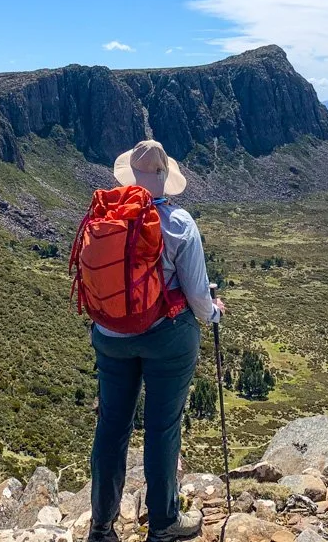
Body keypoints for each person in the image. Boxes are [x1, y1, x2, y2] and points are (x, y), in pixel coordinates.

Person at [89, 140, 225, 542]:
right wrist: (215, 312)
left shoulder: (107, 217)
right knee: (162, 428)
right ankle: (164, 522)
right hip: (167, 337)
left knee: (112, 427)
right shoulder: (180, 223)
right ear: (165, 177)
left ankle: (101, 526)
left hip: (111, 335)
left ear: (131, 175)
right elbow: (199, 297)